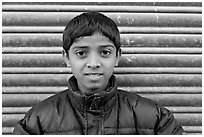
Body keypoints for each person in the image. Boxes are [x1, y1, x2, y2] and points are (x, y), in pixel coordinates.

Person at [12, 11, 184, 135]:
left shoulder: (155, 119)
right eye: (81, 53)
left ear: (118, 56)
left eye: (104, 53)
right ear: (66, 57)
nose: (93, 64)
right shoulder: (38, 122)